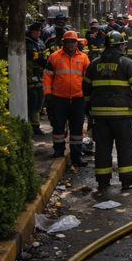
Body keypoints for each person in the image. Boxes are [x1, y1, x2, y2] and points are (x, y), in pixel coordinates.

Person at [83, 32, 132, 191]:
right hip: (122, 115)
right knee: (125, 146)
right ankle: (127, 180)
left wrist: (88, 110)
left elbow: (86, 89)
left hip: (100, 116)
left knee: (102, 147)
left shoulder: (93, 64)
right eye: (123, 44)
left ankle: (102, 181)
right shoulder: (126, 63)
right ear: (120, 46)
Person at [43, 31, 90, 166]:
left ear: (77, 43)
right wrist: (48, 94)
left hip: (78, 99)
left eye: (73, 41)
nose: (71, 44)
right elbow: (47, 77)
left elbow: (88, 79)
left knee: (77, 129)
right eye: (68, 41)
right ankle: (58, 151)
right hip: (58, 99)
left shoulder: (83, 58)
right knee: (58, 127)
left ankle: (76, 156)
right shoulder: (54, 57)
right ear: (63, 42)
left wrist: (88, 97)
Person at [26, 22, 47, 136]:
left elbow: (43, 55)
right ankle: (33, 125)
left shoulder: (39, 42)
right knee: (33, 99)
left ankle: (36, 125)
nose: (38, 33)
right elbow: (35, 57)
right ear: (31, 31)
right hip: (30, 75)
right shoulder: (27, 42)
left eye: (39, 31)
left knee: (39, 99)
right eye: (36, 31)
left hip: (40, 75)